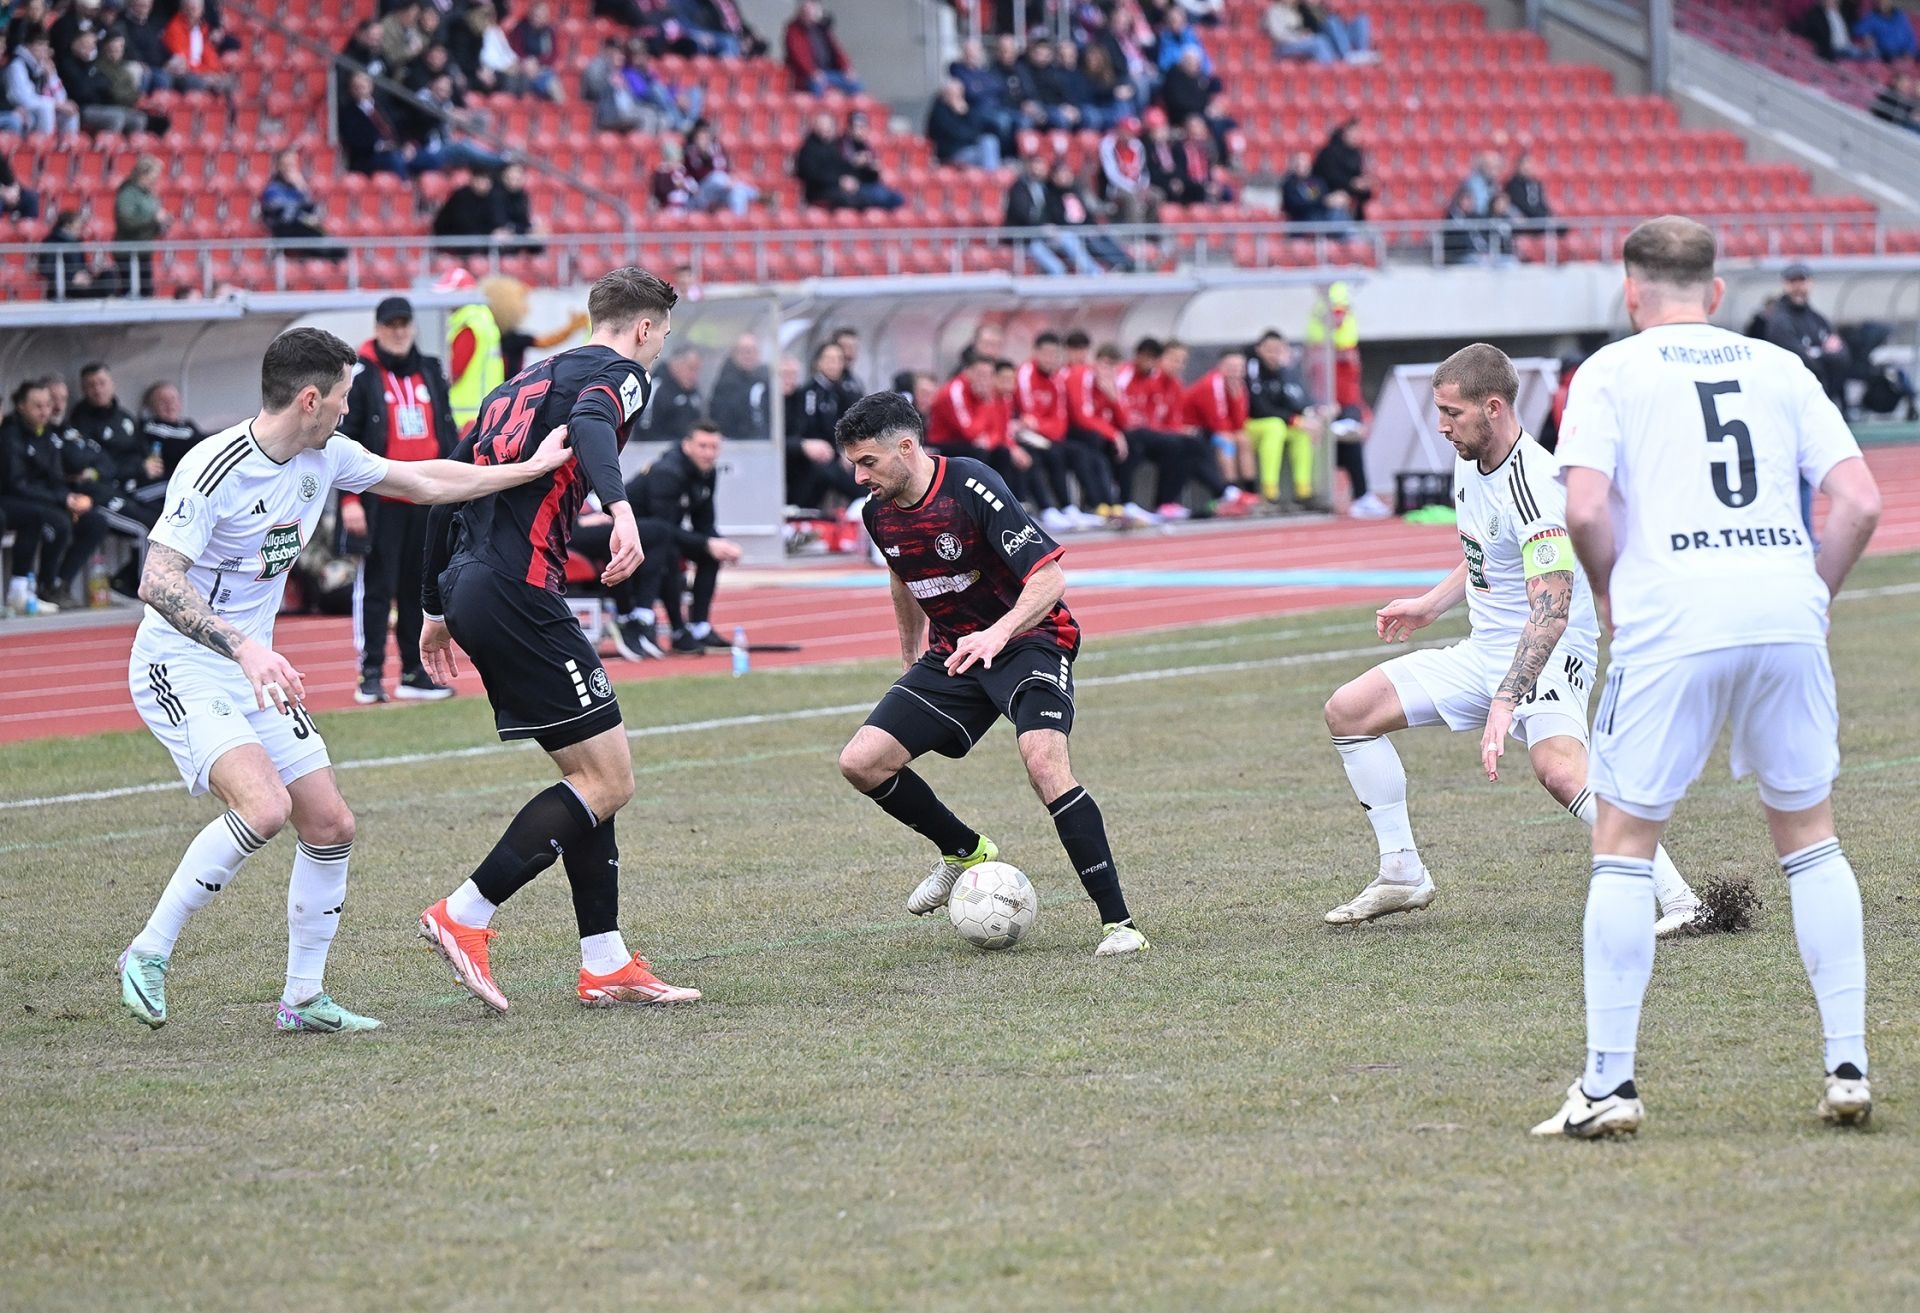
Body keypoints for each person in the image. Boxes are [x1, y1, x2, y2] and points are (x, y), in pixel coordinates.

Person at [114, 328, 575, 1032]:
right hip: (181, 662)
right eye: (342, 396)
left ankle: (302, 999)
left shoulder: (325, 454)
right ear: (309, 399)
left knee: (330, 824)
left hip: (253, 667)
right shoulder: (213, 467)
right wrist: (244, 648)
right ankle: (146, 952)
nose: (348, 408)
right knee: (263, 809)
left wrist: (527, 469)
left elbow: (423, 481)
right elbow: (156, 579)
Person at [1535, 215, 1884, 1139]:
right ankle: (1848, 1065)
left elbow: (1585, 508)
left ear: (1631, 290)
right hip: (1783, 611)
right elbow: (1859, 500)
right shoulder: (1780, 364)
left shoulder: (1608, 370)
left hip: (1673, 618)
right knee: (1811, 839)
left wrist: (1607, 589)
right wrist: (1813, 595)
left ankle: (1609, 1085)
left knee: (1624, 844)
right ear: (1717, 291)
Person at [1321, 341, 1702, 939]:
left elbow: (1551, 613)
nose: (1442, 426)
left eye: (1452, 412)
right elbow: (1487, 549)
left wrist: (1505, 700)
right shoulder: (1469, 456)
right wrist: (1430, 604)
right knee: (1349, 711)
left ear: (1493, 407)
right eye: (1440, 411)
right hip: (1485, 651)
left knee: (1559, 771)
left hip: (1550, 655)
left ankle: (1682, 899)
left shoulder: (1536, 486)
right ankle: (1401, 872)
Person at [416, 267, 703, 1013]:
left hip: (473, 583)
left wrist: (433, 606)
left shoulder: (517, 383)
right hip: (519, 587)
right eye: (662, 335)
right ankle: (465, 911)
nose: (659, 348)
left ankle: (604, 959)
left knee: (587, 778)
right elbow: (594, 423)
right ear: (644, 327)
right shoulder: (622, 373)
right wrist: (622, 508)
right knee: (610, 781)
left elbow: (442, 491)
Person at [833, 390, 1149, 958]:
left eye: (868, 462)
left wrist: (997, 634)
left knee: (1043, 763)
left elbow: (1049, 579)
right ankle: (965, 851)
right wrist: (909, 656)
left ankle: (1119, 925)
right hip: (955, 654)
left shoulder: (971, 484)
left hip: (1030, 640)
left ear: (905, 448)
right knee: (861, 761)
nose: (859, 477)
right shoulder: (877, 513)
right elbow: (902, 576)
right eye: (854, 464)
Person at [335, 297, 460, 705]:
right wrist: (349, 500)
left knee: (418, 589)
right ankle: (370, 672)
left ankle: (413, 671)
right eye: (391, 324)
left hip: (426, 497)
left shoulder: (430, 369)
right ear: (378, 328)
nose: (399, 331)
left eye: (405, 323)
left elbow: (446, 429)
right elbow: (345, 439)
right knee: (376, 588)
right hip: (380, 498)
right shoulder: (361, 374)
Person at [609, 421, 743, 658]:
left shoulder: (707, 472)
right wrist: (707, 543)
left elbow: (704, 523)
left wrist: (719, 544)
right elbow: (663, 527)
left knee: (711, 554)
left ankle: (700, 627)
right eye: (703, 446)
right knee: (670, 552)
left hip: (663, 533)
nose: (709, 453)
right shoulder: (668, 472)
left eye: (714, 447)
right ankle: (678, 630)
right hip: (632, 534)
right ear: (687, 445)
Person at [1752, 264, 1850, 408]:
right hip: (1792, 399)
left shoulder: (1816, 318)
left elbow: (1842, 355)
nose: (1798, 287)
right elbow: (1800, 361)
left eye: (1802, 281)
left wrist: (1817, 355)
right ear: (1785, 284)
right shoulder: (1780, 320)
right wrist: (1824, 354)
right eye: (1793, 281)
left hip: (1820, 398)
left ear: (1810, 283)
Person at [1245, 331, 1322, 509]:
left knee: (1301, 432)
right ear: (1259, 349)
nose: (1273, 355)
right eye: (1269, 350)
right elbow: (1259, 407)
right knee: (1276, 426)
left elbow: (1296, 400)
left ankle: (1303, 490)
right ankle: (1269, 491)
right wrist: (1293, 419)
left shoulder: (1284, 371)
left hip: (1278, 422)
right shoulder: (1252, 369)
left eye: (1278, 350)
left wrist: (1311, 415)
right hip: (1251, 424)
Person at [787, 340, 861, 509]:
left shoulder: (843, 391)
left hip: (838, 454)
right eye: (829, 359)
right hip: (814, 457)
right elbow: (809, 428)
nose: (834, 365)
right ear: (818, 362)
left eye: (839, 360)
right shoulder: (810, 392)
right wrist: (836, 453)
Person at [259, 148, 342, 259]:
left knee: (339, 249)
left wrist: (302, 187)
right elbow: (282, 214)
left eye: (293, 165)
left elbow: (311, 207)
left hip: (303, 228)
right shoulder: (273, 188)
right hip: (285, 229)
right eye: (287, 164)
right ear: (279, 166)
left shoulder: (298, 187)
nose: (290, 169)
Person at [684, 119, 759, 215]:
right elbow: (695, 174)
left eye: (706, 136)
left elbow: (725, 168)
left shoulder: (716, 148)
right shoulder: (690, 151)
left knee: (738, 193)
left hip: (720, 189)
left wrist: (730, 180)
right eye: (701, 136)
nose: (704, 139)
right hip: (700, 192)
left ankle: (738, 222)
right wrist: (704, 154)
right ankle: (755, 194)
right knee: (717, 177)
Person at [784, 0, 859, 94]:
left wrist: (847, 68)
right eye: (806, 12)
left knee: (855, 84)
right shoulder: (793, 31)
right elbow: (798, 56)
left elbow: (837, 51)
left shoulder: (822, 29)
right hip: (807, 76)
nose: (810, 15)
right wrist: (812, 72)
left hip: (829, 72)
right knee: (817, 86)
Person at [926, 77, 1001, 169]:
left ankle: (992, 174)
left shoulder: (965, 108)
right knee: (986, 153)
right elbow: (957, 134)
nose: (958, 97)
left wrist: (965, 113)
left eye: (959, 94)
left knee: (989, 140)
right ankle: (992, 175)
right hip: (951, 153)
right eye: (954, 94)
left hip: (970, 148)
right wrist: (972, 136)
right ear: (945, 95)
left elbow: (978, 128)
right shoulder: (940, 112)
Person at [708, 332, 771, 439]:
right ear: (735, 354)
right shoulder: (725, 384)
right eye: (744, 351)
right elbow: (720, 419)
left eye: (752, 351)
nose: (748, 355)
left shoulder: (767, 380)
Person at [637, 347, 705, 441]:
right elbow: (644, 428)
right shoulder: (654, 388)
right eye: (691, 368)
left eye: (698, 370)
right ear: (675, 365)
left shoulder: (694, 394)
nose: (694, 375)